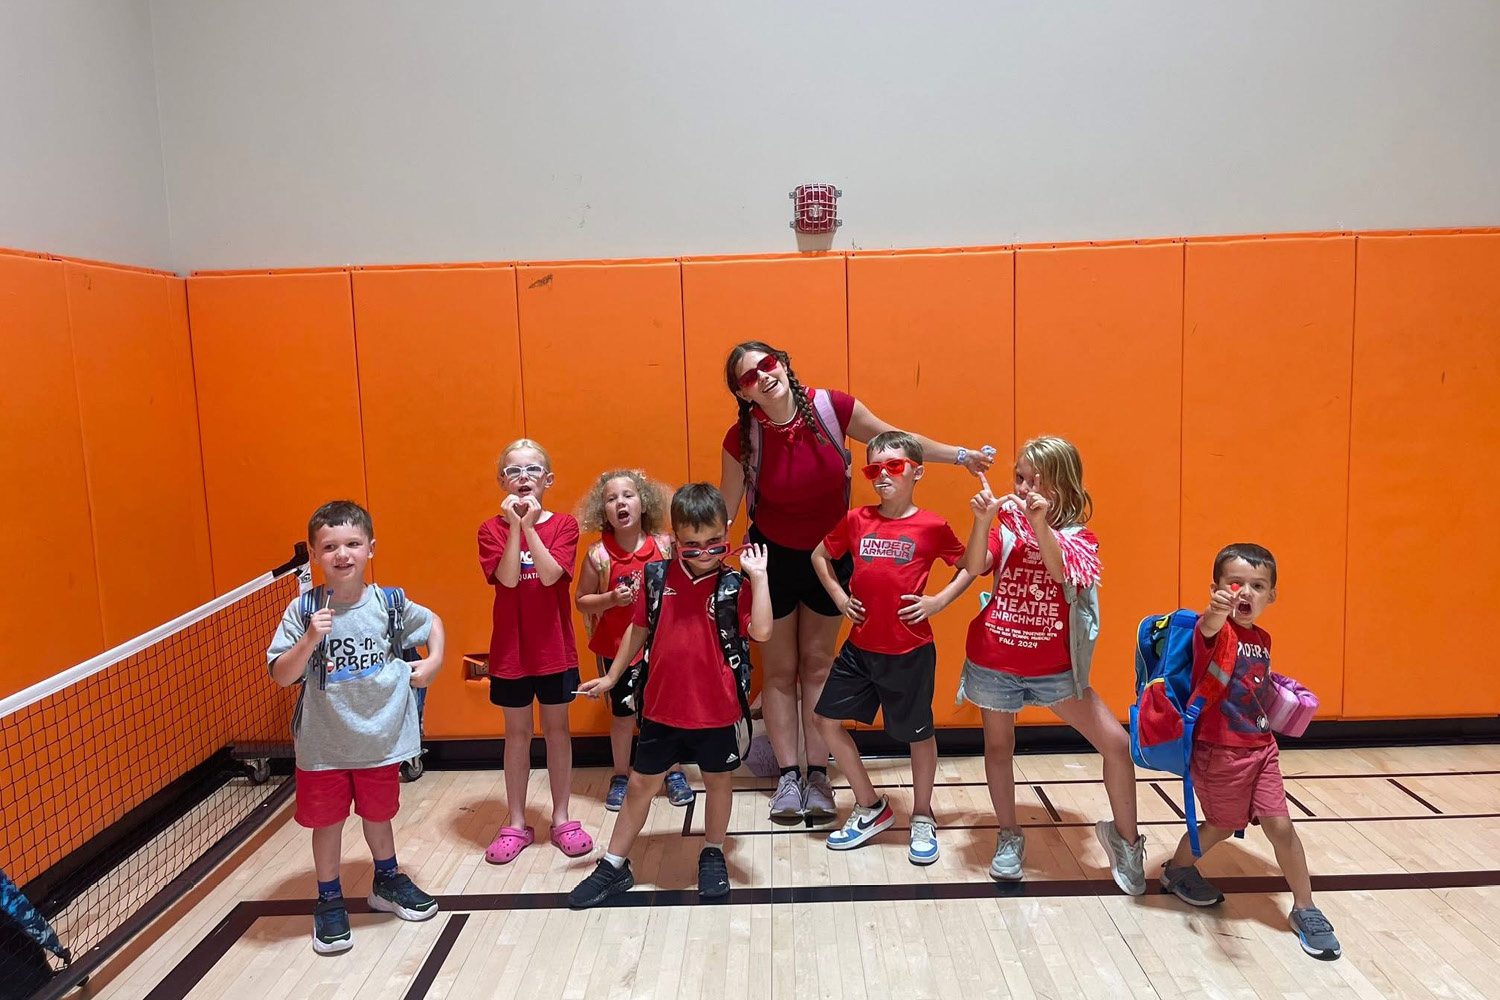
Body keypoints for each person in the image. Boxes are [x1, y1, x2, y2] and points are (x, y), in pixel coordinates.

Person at [720, 340, 993, 824]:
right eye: (749, 377)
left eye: (768, 364)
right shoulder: (742, 439)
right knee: (779, 672)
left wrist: (961, 456)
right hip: (772, 561)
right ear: (743, 394)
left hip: (832, 555)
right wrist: (690, 556)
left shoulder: (833, 408)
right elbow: (724, 510)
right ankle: (788, 777)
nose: (763, 376)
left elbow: (899, 440)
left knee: (817, 664)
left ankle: (818, 775)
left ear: (783, 363)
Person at [568, 484, 772, 907]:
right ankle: (614, 864)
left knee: (718, 782)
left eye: (714, 543)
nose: (704, 553)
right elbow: (637, 628)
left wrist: (760, 577)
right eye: (692, 545)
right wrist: (611, 677)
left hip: (718, 712)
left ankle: (713, 851)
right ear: (674, 537)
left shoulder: (735, 584)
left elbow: (764, 631)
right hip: (661, 708)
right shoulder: (656, 577)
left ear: (727, 531)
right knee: (640, 784)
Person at [959, 437, 1145, 894]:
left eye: (1033, 480)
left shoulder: (1080, 537)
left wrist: (1039, 523)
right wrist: (981, 522)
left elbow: (1061, 572)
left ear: (1061, 486)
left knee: (1117, 745)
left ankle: (1126, 840)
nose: (1022, 488)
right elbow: (974, 564)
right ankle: (1009, 834)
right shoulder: (1005, 523)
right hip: (994, 660)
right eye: (1018, 478)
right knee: (998, 748)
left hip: (1055, 671)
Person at [267, 500, 443, 954]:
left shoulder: (388, 603)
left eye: (352, 544)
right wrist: (310, 639)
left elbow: (433, 623)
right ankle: (329, 899)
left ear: (370, 548)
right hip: (323, 748)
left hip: (379, 741)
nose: (342, 554)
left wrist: (434, 662)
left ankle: (386, 880)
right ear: (314, 554)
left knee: (379, 816)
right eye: (330, 547)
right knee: (326, 825)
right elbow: (282, 675)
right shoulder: (303, 610)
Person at [1161, 544, 1341, 960]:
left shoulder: (1262, 638)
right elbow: (1208, 627)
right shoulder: (1214, 630)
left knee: (1281, 826)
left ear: (1271, 595)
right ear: (1217, 589)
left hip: (1262, 748)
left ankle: (1305, 908)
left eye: (1258, 586)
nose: (1246, 592)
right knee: (1221, 827)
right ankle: (1177, 870)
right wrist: (1215, 611)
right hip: (1219, 752)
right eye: (1235, 583)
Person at [810, 431, 973, 864]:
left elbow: (969, 566)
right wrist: (840, 597)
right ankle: (870, 805)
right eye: (874, 468)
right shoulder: (857, 519)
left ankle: (922, 814)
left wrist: (939, 601)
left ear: (917, 472)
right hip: (860, 649)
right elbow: (819, 556)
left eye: (894, 466)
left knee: (918, 734)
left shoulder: (932, 526)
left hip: (909, 651)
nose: (883, 475)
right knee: (825, 720)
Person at [477, 439, 593, 864]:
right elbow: (508, 579)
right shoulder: (490, 530)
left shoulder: (564, 525)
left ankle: (561, 818)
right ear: (501, 481)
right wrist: (514, 528)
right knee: (517, 734)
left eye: (532, 470)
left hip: (554, 650)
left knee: (558, 731)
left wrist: (528, 527)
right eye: (513, 471)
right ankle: (515, 822)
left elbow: (549, 575)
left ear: (548, 479)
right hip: (511, 652)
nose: (523, 478)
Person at [574, 468, 693, 810]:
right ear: (603, 510)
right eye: (611, 499)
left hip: (663, 647)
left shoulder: (665, 546)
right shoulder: (598, 555)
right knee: (623, 715)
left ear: (644, 503)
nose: (620, 503)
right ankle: (621, 775)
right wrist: (610, 599)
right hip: (616, 649)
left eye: (628, 495)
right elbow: (581, 600)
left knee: (667, 711)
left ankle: (673, 771)